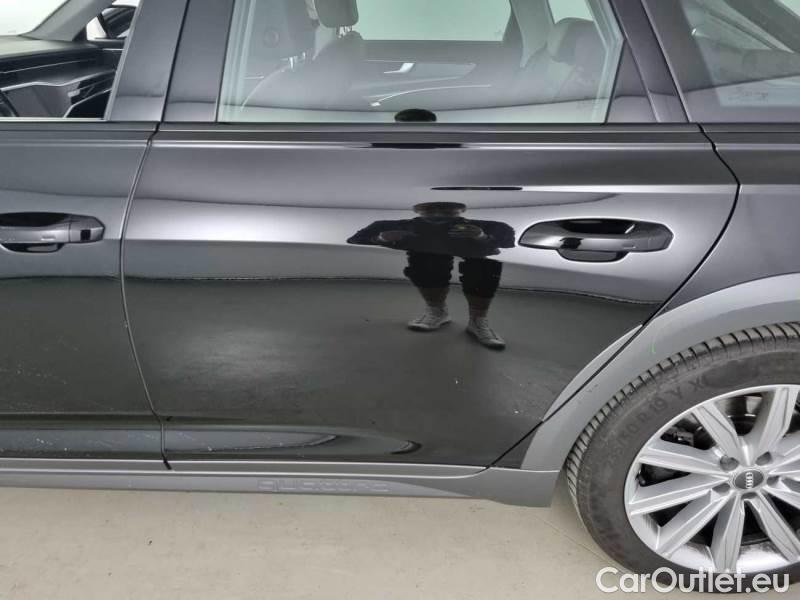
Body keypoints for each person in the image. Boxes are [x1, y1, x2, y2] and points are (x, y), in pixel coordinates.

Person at [347, 203, 516, 349]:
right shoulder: (393, 226)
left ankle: (477, 320)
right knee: (425, 262)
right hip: (426, 260)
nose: (438, 214)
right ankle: (437, 311)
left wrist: (481, 236)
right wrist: (381, 237)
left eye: (447, 210)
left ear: (461, 210)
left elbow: (508, 243)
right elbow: (354, 239)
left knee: (483, 266)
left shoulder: (487, 226)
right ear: (418, 210)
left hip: (476, 258)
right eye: (430, 209)